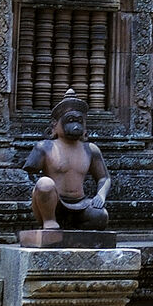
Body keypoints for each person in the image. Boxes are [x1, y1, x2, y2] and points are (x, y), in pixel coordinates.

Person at [23, 89, 110, 236]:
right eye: (70, 120)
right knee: (45, 183)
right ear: (55, 126)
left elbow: (104, 177)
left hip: (81, 204)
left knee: (101, 216)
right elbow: (29, 173)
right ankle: (50, 221)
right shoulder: (45, 147)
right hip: (52, 204)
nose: (75, 125)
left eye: (79, 121)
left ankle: (72, 226)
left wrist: (100, 195)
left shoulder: (91, 149)